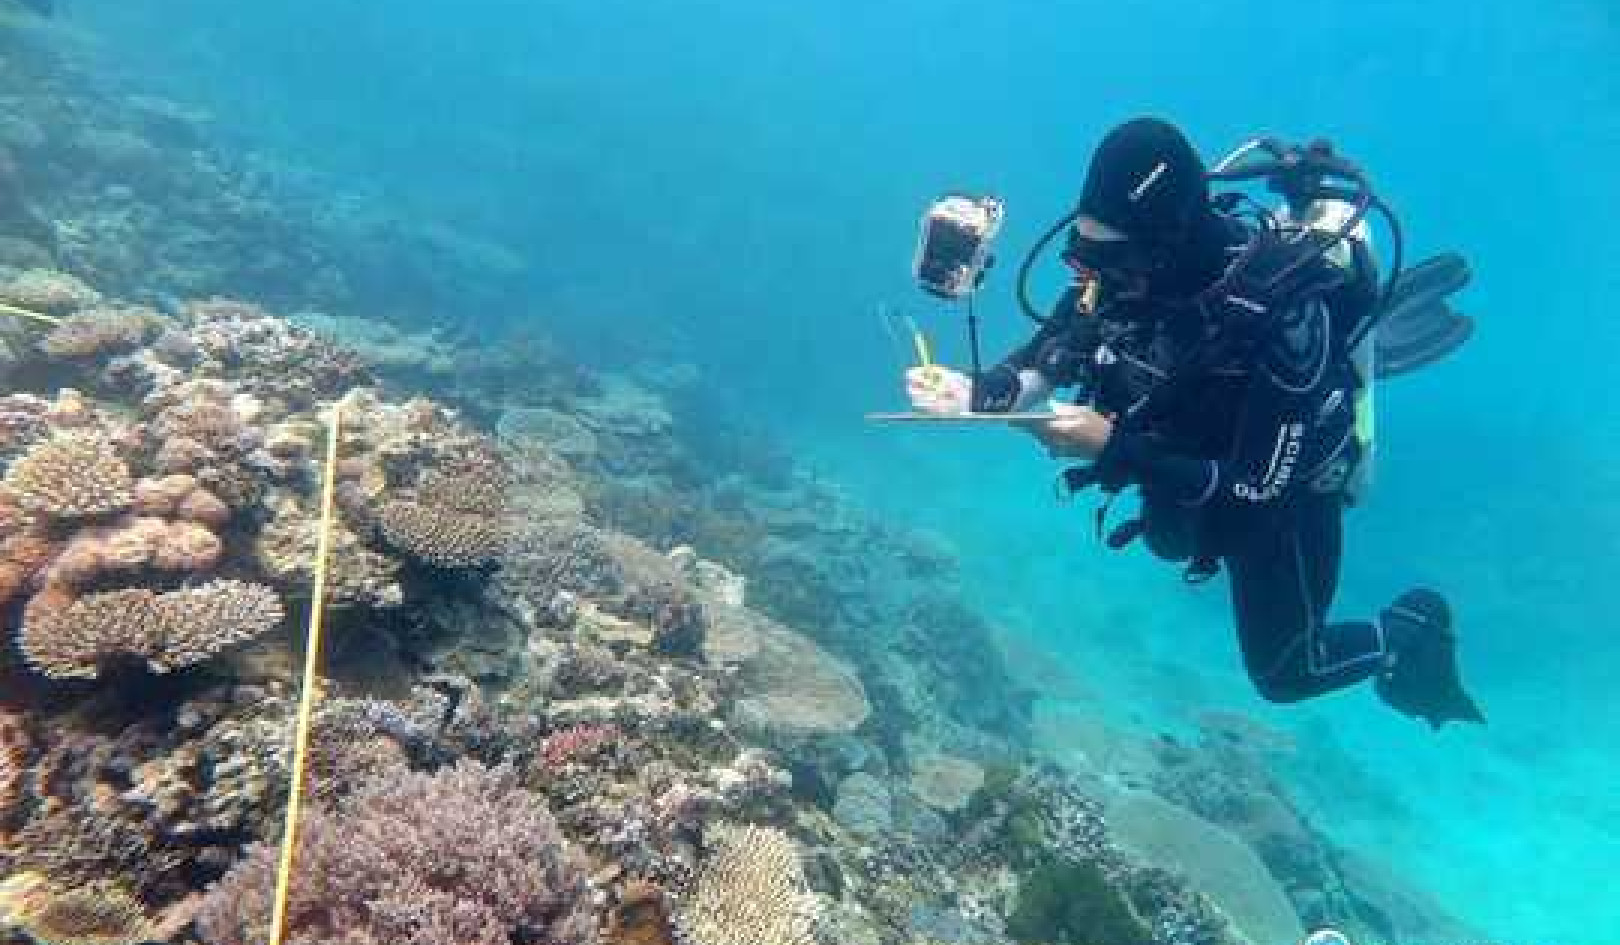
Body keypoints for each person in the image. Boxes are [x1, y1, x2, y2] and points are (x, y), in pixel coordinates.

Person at [906, 117, 1484, 729]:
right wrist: (979, 391)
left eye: (1113, 264)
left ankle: (1408, 632)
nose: (1095, 283)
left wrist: (1113, 448)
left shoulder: (1280, 315)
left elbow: (1255, 485)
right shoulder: (1117, 275)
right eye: (1086, 260)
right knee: (1171, 539)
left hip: (1285, 491)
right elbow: (1053, 352)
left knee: (1288, 674)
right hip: (1183, 456)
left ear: (1167, 243)